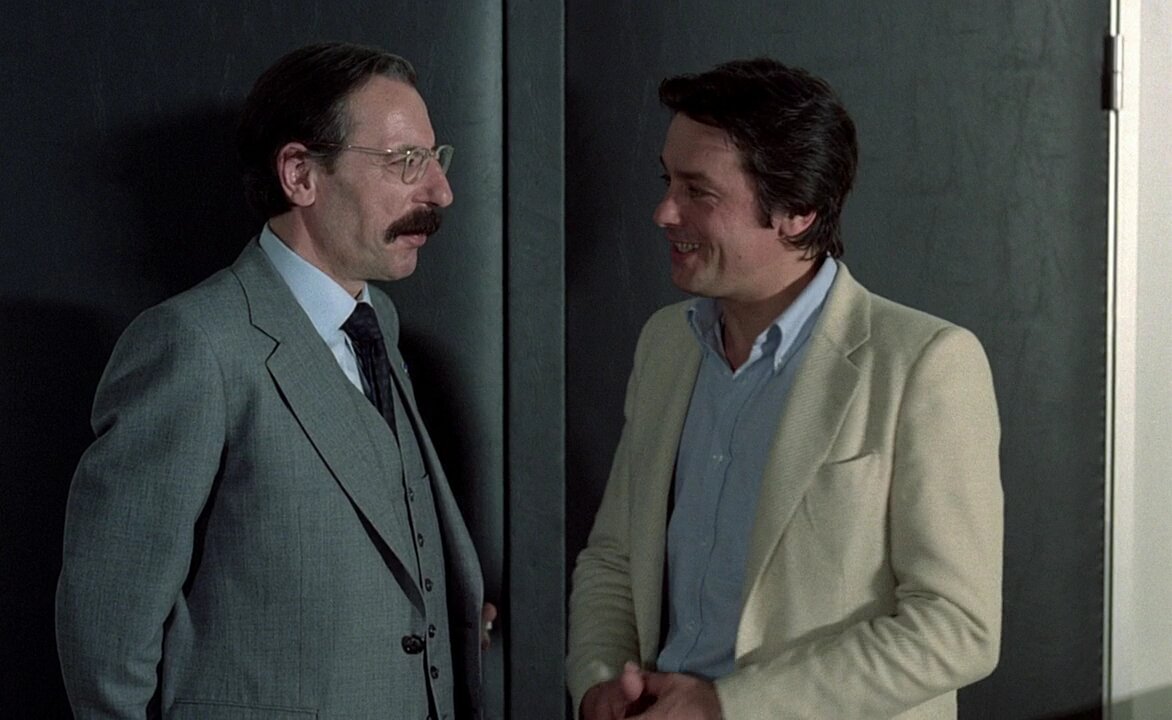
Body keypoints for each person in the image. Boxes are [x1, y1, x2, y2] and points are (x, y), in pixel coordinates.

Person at [56, 42, 492, 719]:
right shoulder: (195, 345)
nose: (440, 191)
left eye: (435, 158)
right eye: (405, 161)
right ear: (299, 174)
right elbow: (107, 636)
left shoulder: (379, 322)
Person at [566, 58, 1002, 720]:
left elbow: (957, 628)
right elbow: (615, 559)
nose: (663, 212)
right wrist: (600, 683)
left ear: (798, 211)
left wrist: (726, 707)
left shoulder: (925, 364)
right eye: (666, 181)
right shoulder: (665, 345)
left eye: (698, 191)